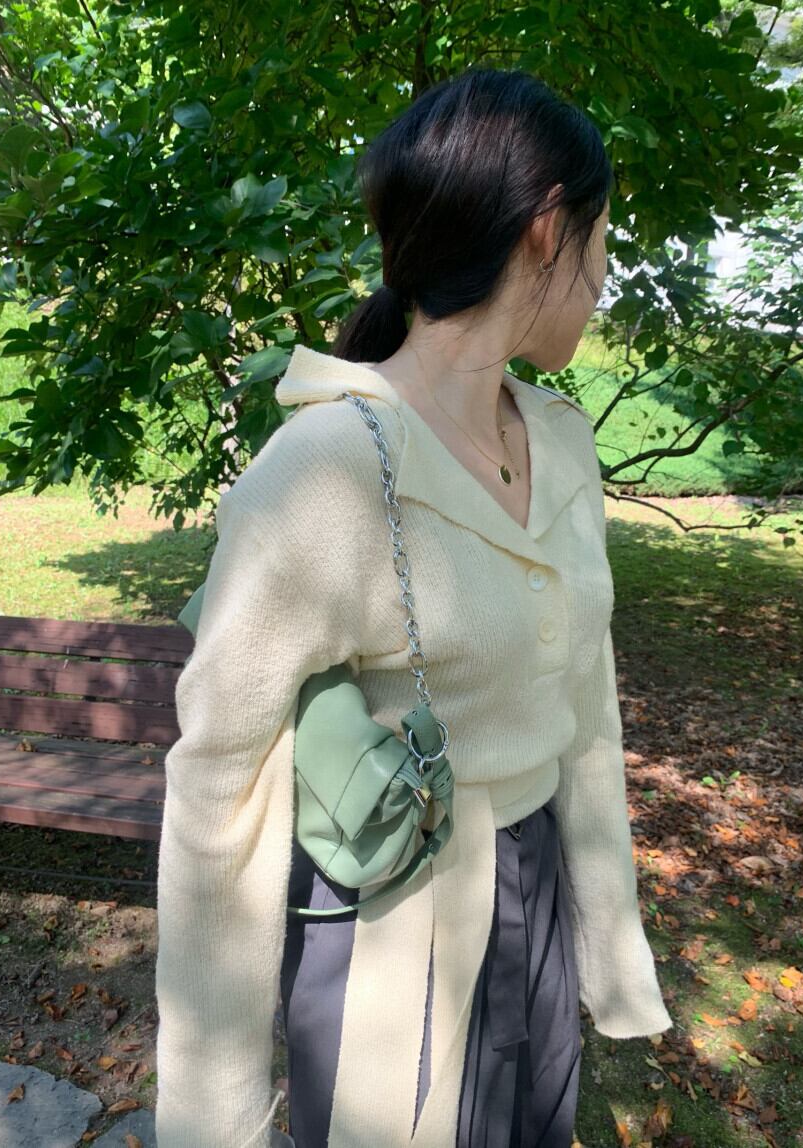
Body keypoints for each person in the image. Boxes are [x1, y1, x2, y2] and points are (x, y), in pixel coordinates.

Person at [154, 65, 673, 1148]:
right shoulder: (324, 468)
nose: (604, 276)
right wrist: (213, 1115)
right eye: (601, 239)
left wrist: (608, 944)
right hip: (394, 940)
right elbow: (220, 790)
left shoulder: (563, 444)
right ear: (546, 230)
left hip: (537, 903)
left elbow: (589, 711)